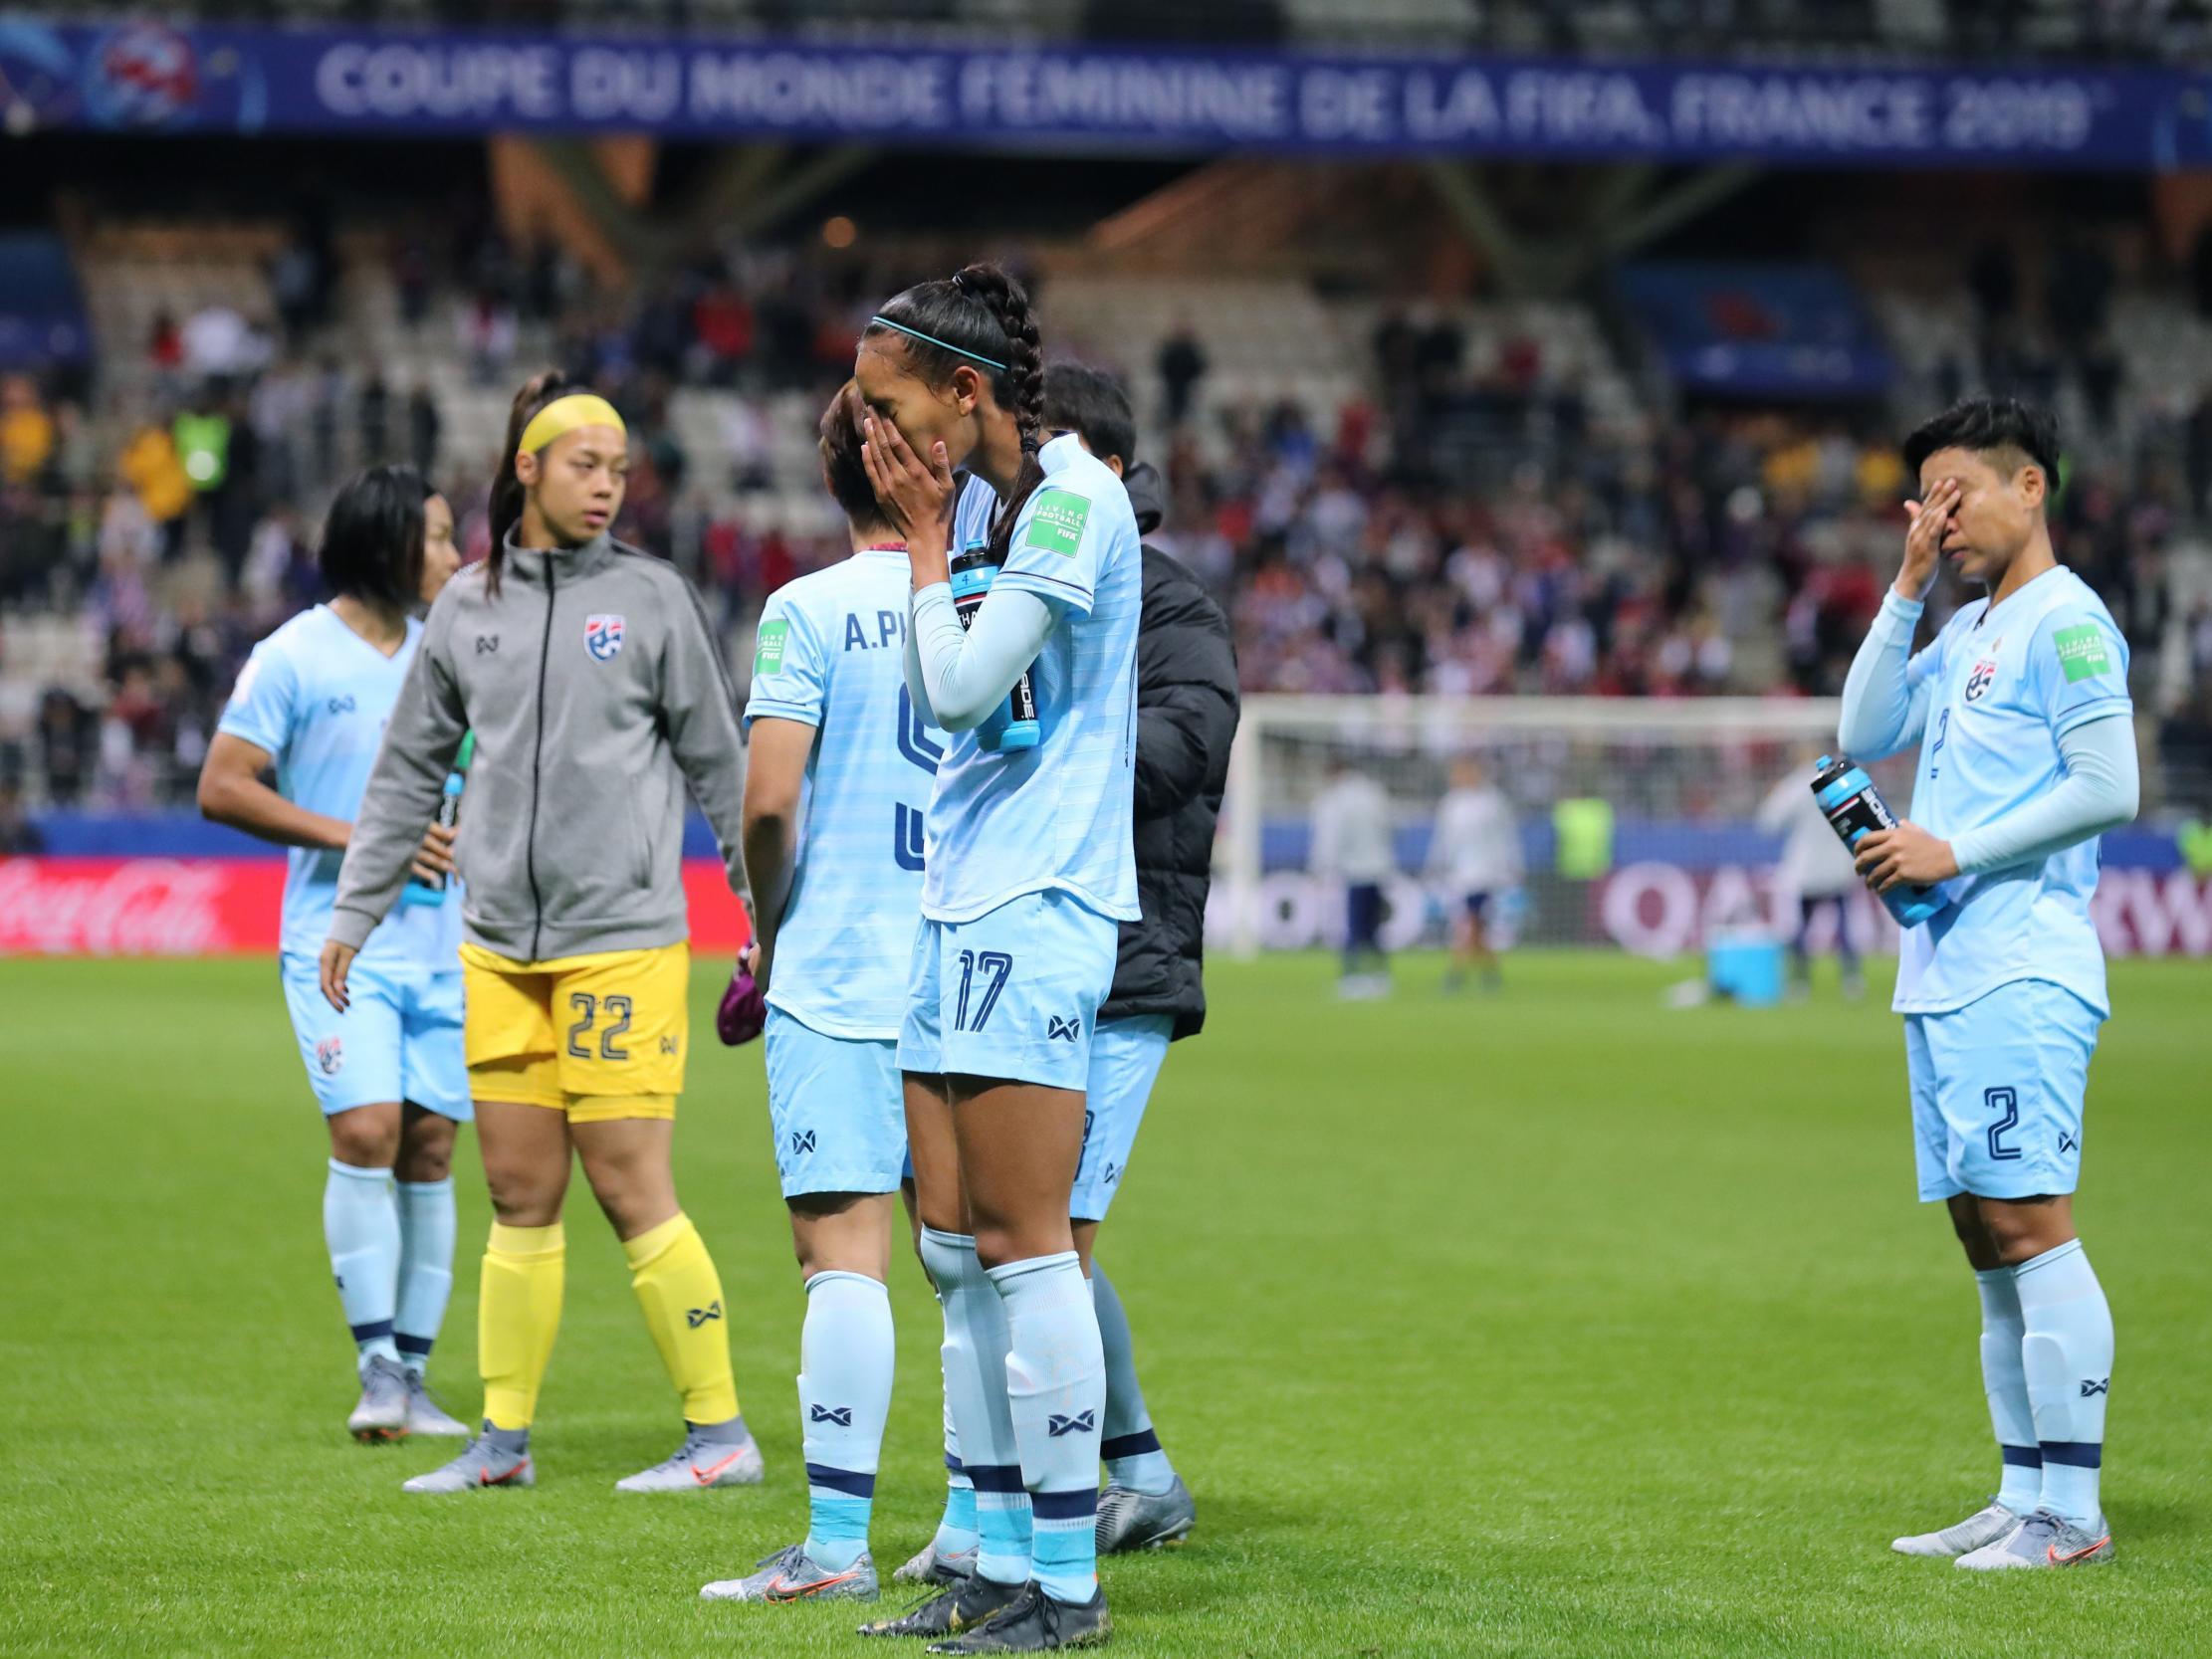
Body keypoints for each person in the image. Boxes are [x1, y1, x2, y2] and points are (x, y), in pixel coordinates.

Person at [320, 372, 764, 1496]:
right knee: (518, 1191)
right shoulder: (466, 607)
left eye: (618, 469)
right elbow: (406, 772)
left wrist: (764, 916)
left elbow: (724, 770)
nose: (608, 485)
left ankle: (719, 1433)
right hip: (497, 947)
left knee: (629, 1185)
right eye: (585, 465)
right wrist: (356, 911)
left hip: (621, 938)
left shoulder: (655, 599)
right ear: (527, 468)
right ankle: (502, 1441)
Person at [898, 364, 1231, 1585]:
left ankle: (1095, 1500)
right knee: (999, 1240)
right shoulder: (1002, 582)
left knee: (1048, 1242)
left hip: (1120, 955)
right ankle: (1107, 1472)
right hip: (1009, 921)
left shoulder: (1174, 606)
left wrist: (1049, 709)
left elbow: (1189, 747)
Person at [849, 263, 1139, 1651]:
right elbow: (947, 706)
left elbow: (959, 685)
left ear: (966, 396)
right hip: (958, 896)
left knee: (1030, 1253)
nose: (876, 441)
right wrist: (931, 531)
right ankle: (999, 1552)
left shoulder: (1077, 496)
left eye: (890, 410)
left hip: (1042, 902)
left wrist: (914, 543)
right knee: (955, 1251)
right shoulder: (982, 504)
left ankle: (1067, 1585)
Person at [1840, 397, 2136, 1570]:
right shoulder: (1964, 628)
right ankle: (2022, 1490)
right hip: (1946, 971)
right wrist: (1905, 582)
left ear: (2031, 488)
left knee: (2028, 1224)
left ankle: (2071, 1512)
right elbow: (1860, 727)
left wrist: (1950, 849)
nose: (1939, 518)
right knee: (1981, 1234)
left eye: (1956, 496)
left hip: (2020, 963)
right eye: (1923, 501)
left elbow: (2108, 782)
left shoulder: (2065, 623)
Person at [697, 385, 946, 1606]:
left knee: (842, 1259)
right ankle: (976, 1523)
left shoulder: (804, 609)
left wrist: (765, 932)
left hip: (839, 972)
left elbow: (763, 804)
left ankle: (837, 1544)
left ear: (833, 472)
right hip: (967, 971)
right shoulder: (988, 608)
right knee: (971, 1259)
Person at [196, 465, 471, 1441]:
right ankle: (376, 1365)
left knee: (431, 1146)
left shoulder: (453, 650)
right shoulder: (293, 655)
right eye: (436, 537)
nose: (452, 555)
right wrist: (362, 835)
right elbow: (223, 785)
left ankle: (419, 1376)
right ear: (387, 541)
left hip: (449, 939)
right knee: (365, 1132)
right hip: (339, 941)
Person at [1754, 747, 1864, 999]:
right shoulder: (1841, 783)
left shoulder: (1794, 786)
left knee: (1802, 926)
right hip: (1838, 864)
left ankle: (1800, 982)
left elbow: (1768, 821)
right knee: (1844, 925)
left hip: (1808, 868)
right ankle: (1852, 980)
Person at [1429, 756, 1521, 992]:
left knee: (1469, 922)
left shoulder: (1493, 802)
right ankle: (1490, 973)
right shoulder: (1451, 804)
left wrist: (1512, 866)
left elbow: (1508, 838)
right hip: (1459, 875)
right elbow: (1443, 841)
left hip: (1485, 874)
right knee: (1477, 926)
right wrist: (1436, 867)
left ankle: (1455, 973)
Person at [1311, 757, 1395, 997]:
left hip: (1355, 870)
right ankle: (1380, 976)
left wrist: (1321, 868)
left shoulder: (1335, 800)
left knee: (1354, 925)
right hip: (1379, 867)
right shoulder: (1374, 793)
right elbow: (1391, 827)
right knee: (1373, 927)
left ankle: (1353, 977)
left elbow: (1331, 838)